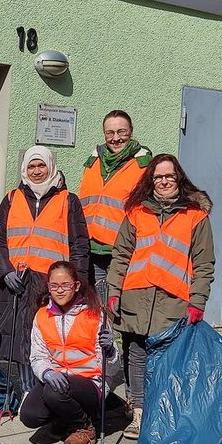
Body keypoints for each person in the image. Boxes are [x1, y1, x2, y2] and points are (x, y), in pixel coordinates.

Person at [107, 154, 215, 439]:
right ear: (150, 180)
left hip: (173, 302)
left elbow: (204, 265)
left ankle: (164, 414)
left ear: (178, 178)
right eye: (158, 176)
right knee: (137, 357)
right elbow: (121, 256)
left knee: (167, 362)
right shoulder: (136, 212)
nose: (164, 181)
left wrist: (197, 303)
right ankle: (139, 415)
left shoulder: (195, 216)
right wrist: (113, 291)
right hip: (136, 298)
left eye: (169, 175)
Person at [0, 146, 89, 396]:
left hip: (52, 285)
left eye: (41, 165)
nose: (36, 171)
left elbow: (79, 246)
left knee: (50, 337)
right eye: (32, 166)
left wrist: (75, 285)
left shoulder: (68, 200)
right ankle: (28, 390)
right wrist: (4, 272)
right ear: (25, 169)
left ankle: (52, 391)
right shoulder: (12, 198)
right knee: (22, 341)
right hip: (18, 281)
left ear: (51, 167)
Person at [20, 261, 118, 444]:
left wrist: (111, 351)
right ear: (48, 287)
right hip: (57, 379)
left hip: (90, 382)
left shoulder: (94, 314)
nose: (60, 290)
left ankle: (85, 426)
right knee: (30, 415)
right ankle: (66, 419)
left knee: (54, 393)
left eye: (66, 285)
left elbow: (112, 370)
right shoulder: (41, 315)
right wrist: (46, 372)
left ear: (76, 286)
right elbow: (37, 356)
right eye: (54, 285)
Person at [78, 110, 152, 302]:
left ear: (131, 132)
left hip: (121, 251)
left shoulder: (144, 165)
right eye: (110, 133)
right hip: (91, 248)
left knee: (117, 308)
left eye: (122, 132)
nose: (115, 138)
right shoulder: (94, 161)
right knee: (93, 307)